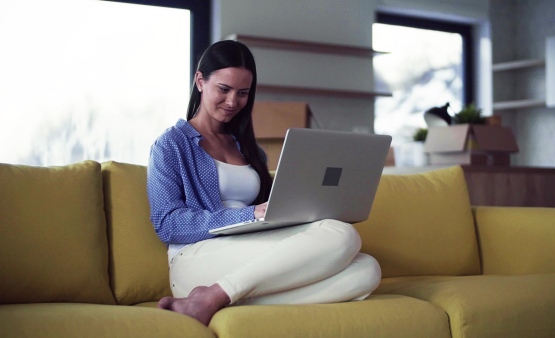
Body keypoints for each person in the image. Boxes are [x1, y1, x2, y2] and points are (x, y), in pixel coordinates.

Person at [147, 40, 381, 326]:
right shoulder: (171, 144)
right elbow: (167, 223)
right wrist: (251, 213)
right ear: (200, 81)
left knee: (367, 270)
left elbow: (268, 215)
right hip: (195, 258)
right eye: (224, 89)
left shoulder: (249, 149)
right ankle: (214, 295)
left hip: (249, 253)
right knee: (343, 235)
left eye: (243, 93)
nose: (233, 102)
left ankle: (216, 298)